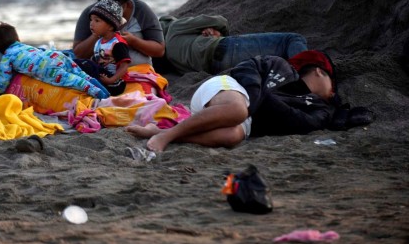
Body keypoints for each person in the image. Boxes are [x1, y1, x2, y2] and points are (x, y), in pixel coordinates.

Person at [126, 50, 341, 152]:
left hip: (244, 122)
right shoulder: (281, 66)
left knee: (234, 135)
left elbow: (303, 123)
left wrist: (262, 101)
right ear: (320, 73)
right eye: (334, 86)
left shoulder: (320, 108)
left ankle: (161, 133)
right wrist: (259, 99)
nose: (333, 94)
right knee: (239, 110)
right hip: (227, 91)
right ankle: (167, 137)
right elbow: (246, 69)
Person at [0, 22, 110, 99]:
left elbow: (3, 77)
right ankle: (105, 91)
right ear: (17, 38)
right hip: (57, 56)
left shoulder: (6, 56)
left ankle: (101, 96)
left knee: (75, 81)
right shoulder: (25, 47)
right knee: (82, 75)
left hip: (49, 68)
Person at [159, 14, 308, 75]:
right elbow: (220, 21)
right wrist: (218, 32)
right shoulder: (175, 27)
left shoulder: (170, 62)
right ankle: (308, 75)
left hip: (218, 68)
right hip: (225, 49)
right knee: (292, 39)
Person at [73, 0, 165, 67]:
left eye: (117, 8)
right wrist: (98, 33)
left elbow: (159, 50)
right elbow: (78, 54)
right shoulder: (92, 14)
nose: (112, 13)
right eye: (106, 8)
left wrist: (134, 41)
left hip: (139, 72)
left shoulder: (141, 11)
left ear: (127, 3)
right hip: (103, 74)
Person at [81, 0, 131, 96]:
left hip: (116, 83)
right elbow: (96, 61)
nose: (91, 23)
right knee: (84, 64)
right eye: (91, 20)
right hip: (102, 75)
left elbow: (124, 66)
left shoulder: (117, 43)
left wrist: (111, 80)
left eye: (97, 20)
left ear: (111, 26)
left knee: (84, 64)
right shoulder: (98, 42)